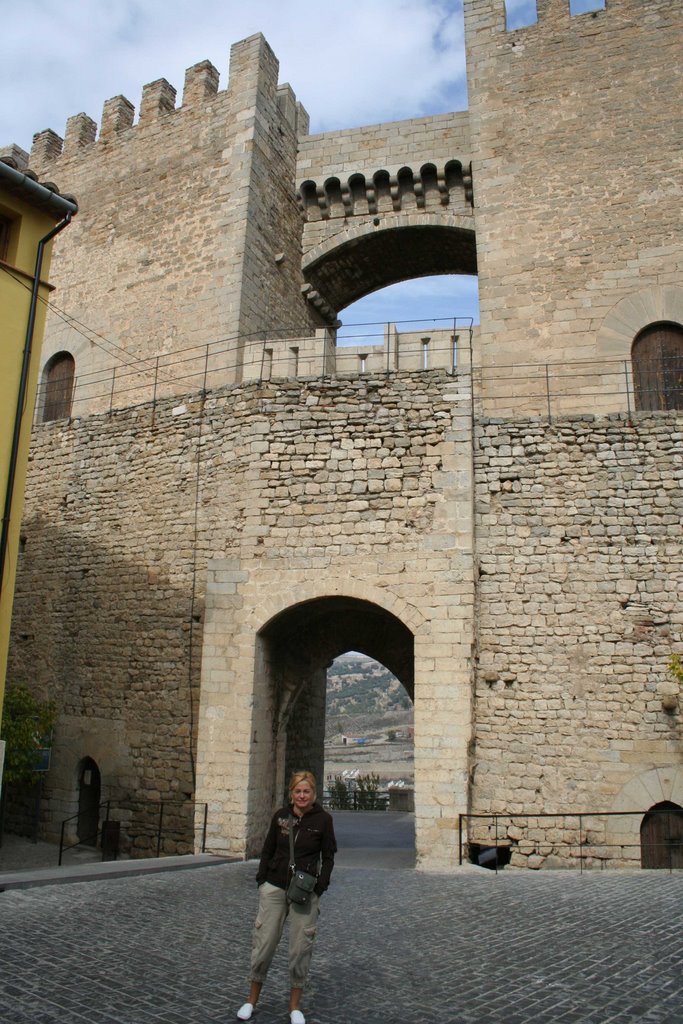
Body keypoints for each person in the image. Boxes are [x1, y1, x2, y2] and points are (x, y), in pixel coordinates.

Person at [236, 770, 337, 1024]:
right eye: (298, 791)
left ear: (314, 794)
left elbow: (329, 856)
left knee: (300, 948)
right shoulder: (280, 816)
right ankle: (251, 1000)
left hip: (305, 892)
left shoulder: (323, 820)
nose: (302, 795)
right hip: (274, 887)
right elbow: (268, 848)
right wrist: (262, 881)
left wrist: (319, 887)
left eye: (307, 791)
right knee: (264, 944)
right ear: (291, 793)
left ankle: (294, 1007)